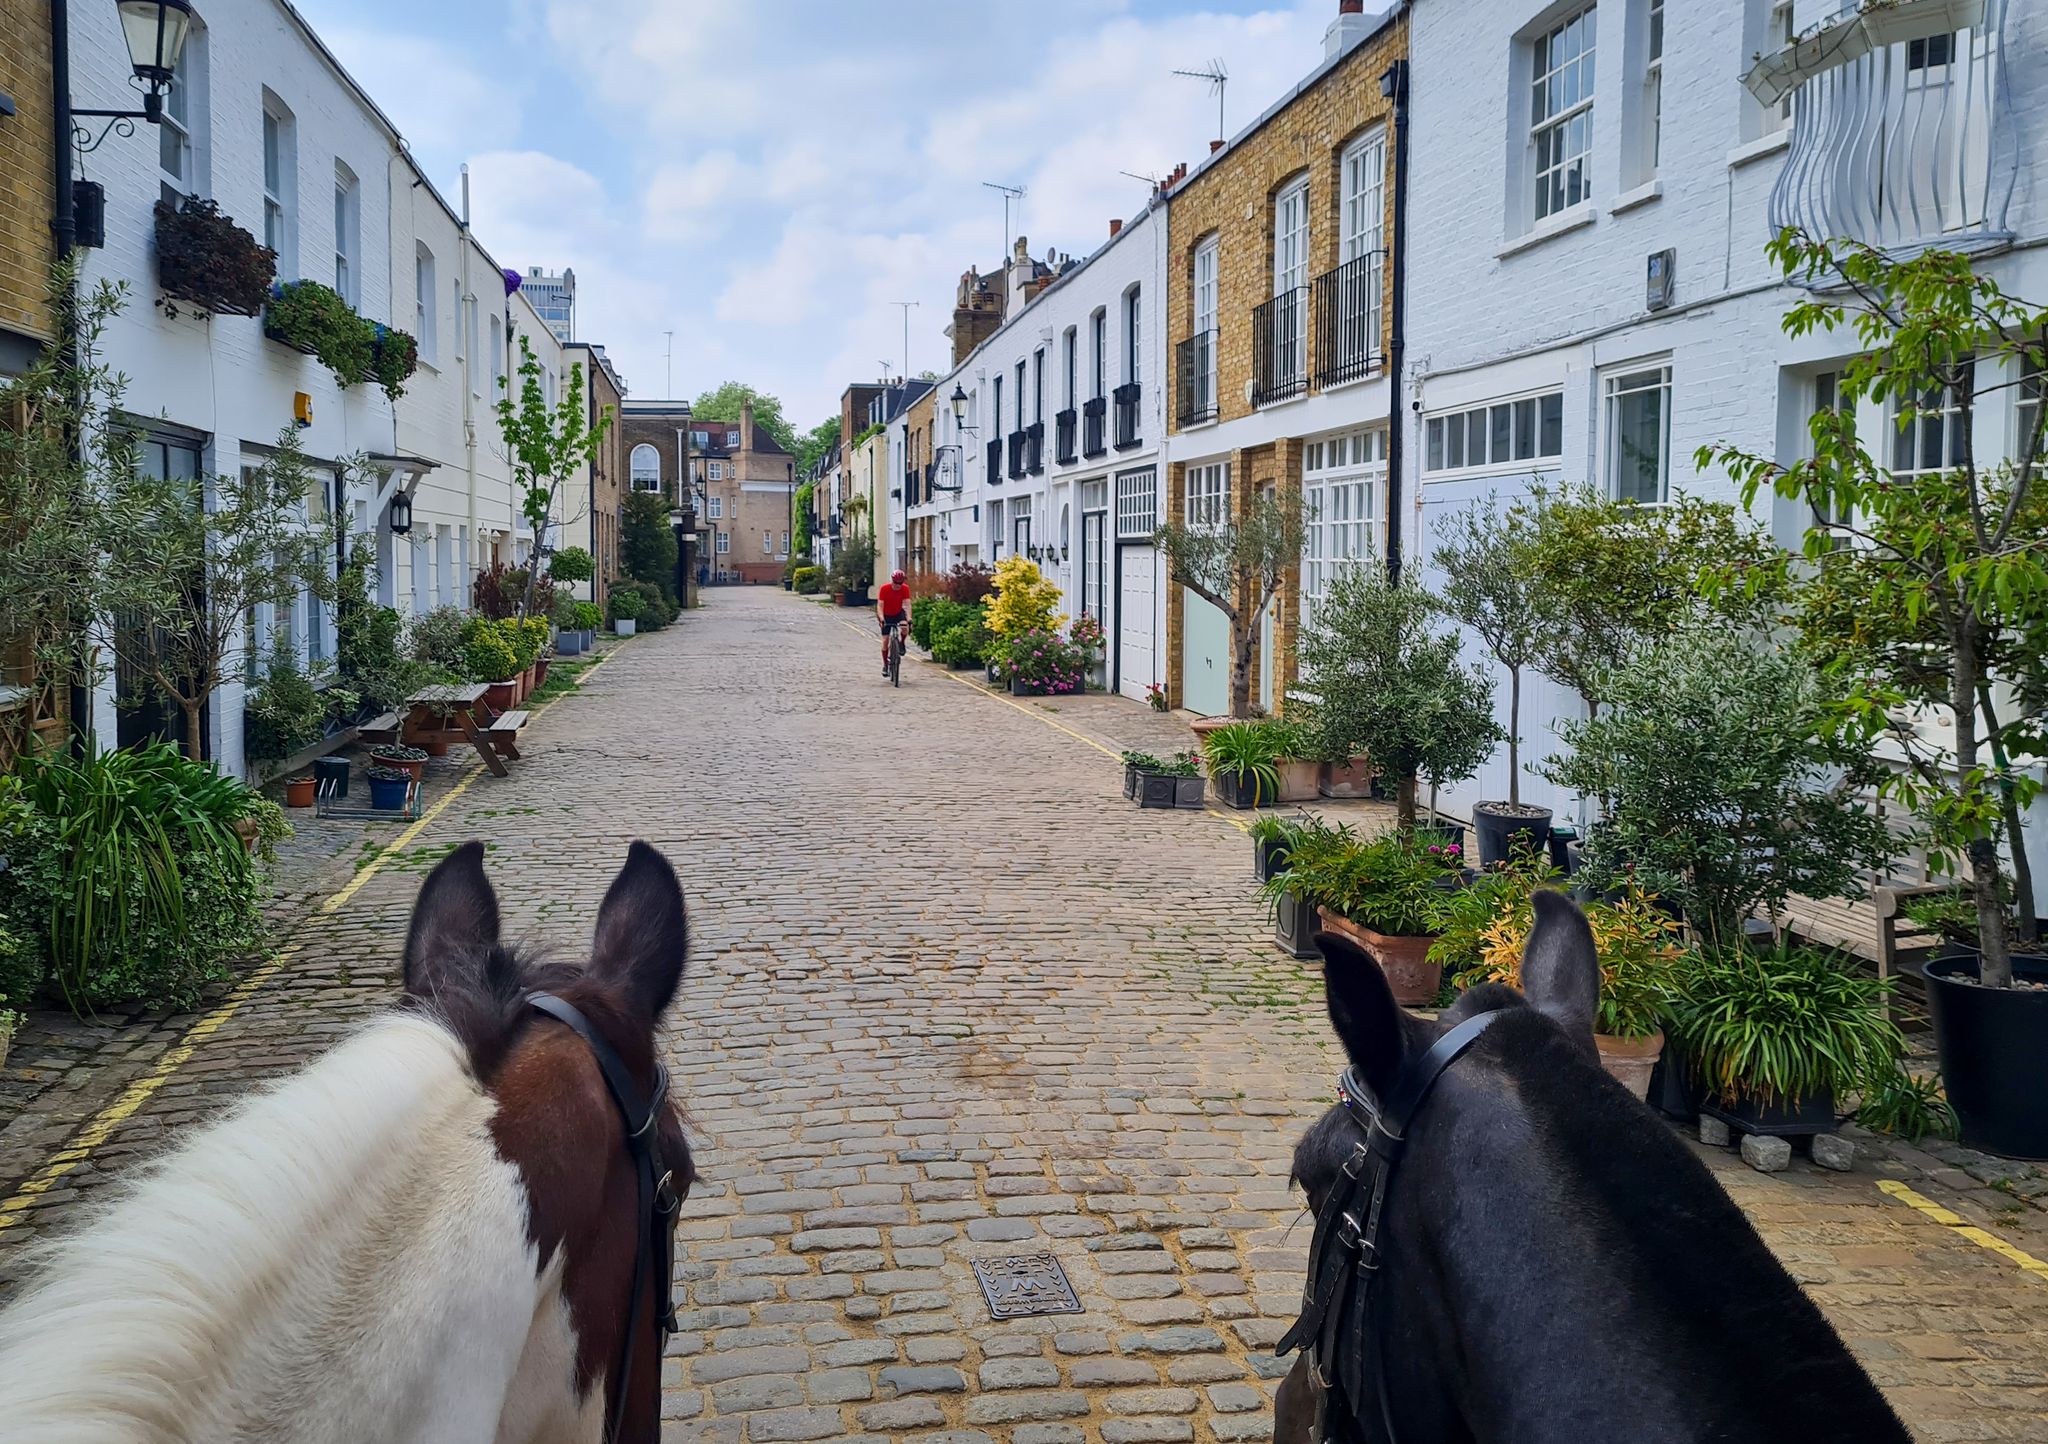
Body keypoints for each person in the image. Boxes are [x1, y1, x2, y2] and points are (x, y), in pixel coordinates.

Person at [877, 568, 911, 676]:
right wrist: (881, 618)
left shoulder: (905, 589)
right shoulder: (884, 588)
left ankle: (901, 643)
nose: (898, 586)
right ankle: (885, 665)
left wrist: (909, 618)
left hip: (898, 612)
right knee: (885, 640)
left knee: (905, 627)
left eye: (900, 583)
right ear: (892, 581)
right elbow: (880, 605)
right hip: (886, 615)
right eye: (896, 583)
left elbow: (907, 604)